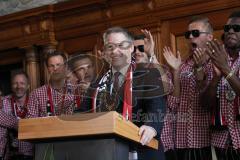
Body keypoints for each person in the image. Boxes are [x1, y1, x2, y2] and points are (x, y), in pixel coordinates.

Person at [83, 26, 166, 160]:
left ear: (131, 48)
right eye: (110, 47)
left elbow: (157, 106)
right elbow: (81, 113)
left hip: (142, 150)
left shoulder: (149, 74)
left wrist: (151, 127)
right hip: (105, 152)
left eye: (121, 45)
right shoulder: (96, 84)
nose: (115, 51)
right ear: (104, 51)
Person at [162, 16, 214, 160]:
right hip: (180, 140)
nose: (191, 36)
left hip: (206, 141)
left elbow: (210, 102)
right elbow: (172, 104)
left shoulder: (216, 64)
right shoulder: (182, 65)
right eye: (188, 34)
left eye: (196, 33)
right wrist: (176, 72)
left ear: (209, 37)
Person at [203, 10, 240, 159]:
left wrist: (225, 69)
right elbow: (205, 104)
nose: (230, 31)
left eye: (237, 28)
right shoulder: (215, 58)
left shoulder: (221, 62)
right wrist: (216, 78)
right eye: (227, 28)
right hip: (222, 142)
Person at [27, 50, 74, 118]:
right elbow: (30, 123)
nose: (55, 68)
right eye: (51, 66)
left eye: (59, 65)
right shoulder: (36, 94)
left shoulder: (76, 90)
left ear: (65, 67)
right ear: (47, 69)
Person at [1, 71, 33, 160]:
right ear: (11, 86)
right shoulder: (3, 102)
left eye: (22, 83)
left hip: (32, 155)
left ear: (28, 86)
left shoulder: (35, 102)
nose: (19, 86)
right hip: (9, 156)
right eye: (15, 83)